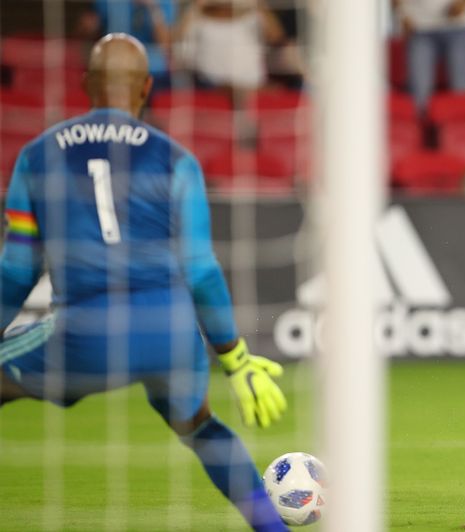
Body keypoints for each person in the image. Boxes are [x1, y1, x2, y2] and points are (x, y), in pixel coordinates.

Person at [0, 34, 289, 532]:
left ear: (86, 82)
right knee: (199, 426)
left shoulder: (36, 156)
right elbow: (200, 269)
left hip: (86, 335)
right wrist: (234, 359)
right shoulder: (177, 160)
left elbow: (17, 270)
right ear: (147, 88)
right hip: (170, 333)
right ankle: (272, 527)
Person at [394, 0, 465, 113]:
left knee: (463, 88)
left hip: (459, 25)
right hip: (419, 26)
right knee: (419, 90)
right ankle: (421, 125)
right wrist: (402, 14)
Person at [75, 0, 176, 90]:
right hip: (114, 67)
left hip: (153, 70)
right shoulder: (107, 3)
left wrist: (153, 8)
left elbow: (165, 45)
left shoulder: (164, 2)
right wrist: (89, 25)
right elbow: (87, 29)